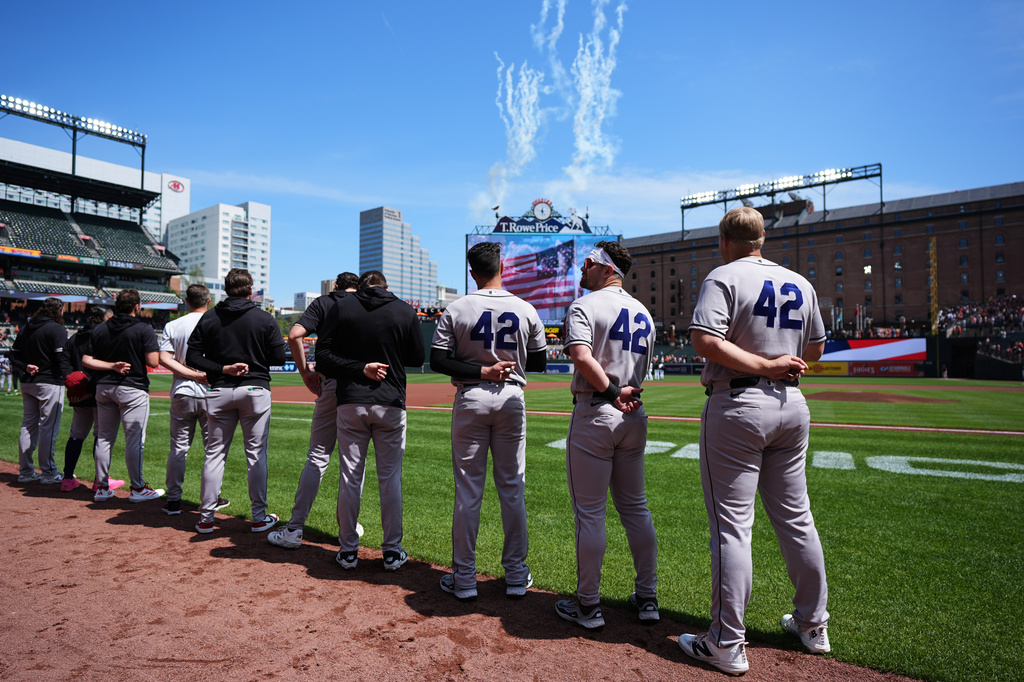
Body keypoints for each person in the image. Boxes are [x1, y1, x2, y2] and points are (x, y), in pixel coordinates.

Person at [679, 207, 829, 676]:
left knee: (732, 526)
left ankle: (726, 643)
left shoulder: (723, 276)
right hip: (792, 406)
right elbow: (816, 350)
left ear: (725, 239)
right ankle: (813, 624)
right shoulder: (799, 282)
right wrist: (778, 363)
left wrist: (761, 365)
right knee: (797, 519)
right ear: (762, 238)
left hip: (739, 405)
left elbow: (705, 340)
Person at [430, 242, 547, 601]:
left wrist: (481, 368)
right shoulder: (525, 308)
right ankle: (515, 575)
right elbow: (540, 364)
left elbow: (438, 360)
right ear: (503, 266)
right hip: (511, 397)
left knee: (469, 491)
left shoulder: (458, 307)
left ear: (471, 272)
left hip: (472, 397)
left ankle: (464, 579)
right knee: (512, 489)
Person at [555, 241, 659, 630]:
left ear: (607, 268)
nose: (583, 268)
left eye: (589, 262)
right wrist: (622, 394)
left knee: (591, 515)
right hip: (635, 414)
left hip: (600, 409)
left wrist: (612, 394)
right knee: (636, 509)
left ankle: (588, 605)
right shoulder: (644, 312)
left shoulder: (585, 305)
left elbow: (582, 356)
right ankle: (647, 598)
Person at [315, 270, 425, 571]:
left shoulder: (343, 306)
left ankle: (349, 550)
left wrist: (359, 366)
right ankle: (391, 552)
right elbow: (417, 357)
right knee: (389, 479)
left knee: (351, 477)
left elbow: (322, 356)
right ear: (386, 287)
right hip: (390, 402)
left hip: (351, 401)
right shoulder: (404, 309)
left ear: (361, 287)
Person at [186, 268, 287, 534]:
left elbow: (192, 358)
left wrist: (223, 368)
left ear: (226, 289)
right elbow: (278, 358)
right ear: (250, 288)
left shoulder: (209, 317)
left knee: (214, 455)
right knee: (255, 455)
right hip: (254, 390)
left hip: (219, 391)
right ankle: (258, 517)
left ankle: (206, 518)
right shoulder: (264, 318)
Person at [268, 272, 361, 549]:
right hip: (359, 388)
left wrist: (306, 373)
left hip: (330, 383)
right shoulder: (366, 303)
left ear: (336, 286)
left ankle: (295, 528)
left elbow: (295, 335)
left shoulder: (324, 302)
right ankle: (349, 529)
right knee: (353, 463)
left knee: (318, 456)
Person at [83, 290, 164, 502]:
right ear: (137, 306)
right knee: (134, 440)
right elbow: (154, 362)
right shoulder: (143, 329)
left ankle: (101, 487)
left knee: (104, 438)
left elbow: (87, 360)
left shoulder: (100, 328)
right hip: (133, 389)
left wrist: (111, 365)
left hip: (104, 388)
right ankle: (137, 489)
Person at [159, 284, 228, 516]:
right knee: (213, 451)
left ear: (186, 301)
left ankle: (173, 501)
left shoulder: (173, 324)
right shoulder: (218, 322)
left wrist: (189, 374)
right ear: (208, 301)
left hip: (183, 391)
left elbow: (163, 358)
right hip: (211, 392)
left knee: (178, 449)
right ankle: (211, 500)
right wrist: (200, 375)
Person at [59, 305, 125, 492]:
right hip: (98, 392)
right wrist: (89, 386)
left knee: (76, 435)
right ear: (107, 317)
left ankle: (67, 479)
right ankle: (100, 480)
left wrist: (72, 381)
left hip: (79, 394)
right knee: (101, 436)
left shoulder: (75, 337)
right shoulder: (106, 335)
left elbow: (64, 361)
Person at [11, 297, 71, 484]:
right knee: (48, 428)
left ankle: (26, 472)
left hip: (28, 381)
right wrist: (70, 379)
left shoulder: (27, 326)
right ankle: (49, 472)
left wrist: (25, 366)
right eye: (62, 310)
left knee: (28, 426)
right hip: (50, 382)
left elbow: (13, 354)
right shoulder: (57, 328)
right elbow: (61, 359)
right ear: (58, 310)